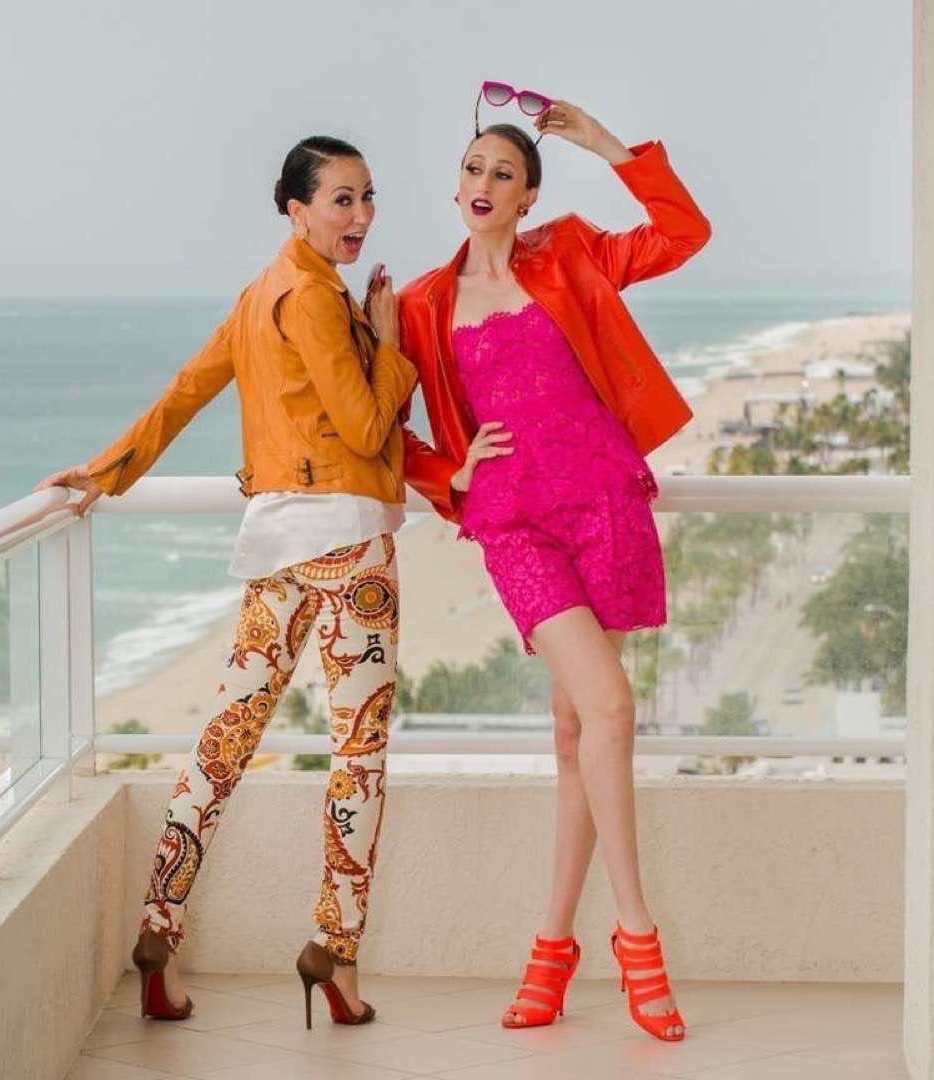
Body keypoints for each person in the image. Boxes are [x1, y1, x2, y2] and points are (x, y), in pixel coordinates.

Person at [37, 134, 416, 1029]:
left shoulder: (258, 295)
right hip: (351, 552)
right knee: (355, 760)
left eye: (367, 198)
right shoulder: (318, 300)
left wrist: (108, 468)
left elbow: (187, 389)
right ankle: (335, 953)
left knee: (221, 746)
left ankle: (158, 935)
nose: (359, 216)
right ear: (296, 209)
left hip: (276, 551)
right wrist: (390, 344)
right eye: (340, 201)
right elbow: (365, 429)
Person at [397, 88, 711, 1043]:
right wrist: (452, 467)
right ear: (455, 190)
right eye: (471, 169)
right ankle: (635, 937)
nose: (483, 183)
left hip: (601, 503)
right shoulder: (419, 303)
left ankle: (548, 951)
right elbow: (376, 430)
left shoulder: (570, 252)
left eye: (503, 172)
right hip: (514, 524)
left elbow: (683, 231)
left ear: (529, 196)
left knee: (580, 732)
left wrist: (607, 145)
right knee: (610, 708)